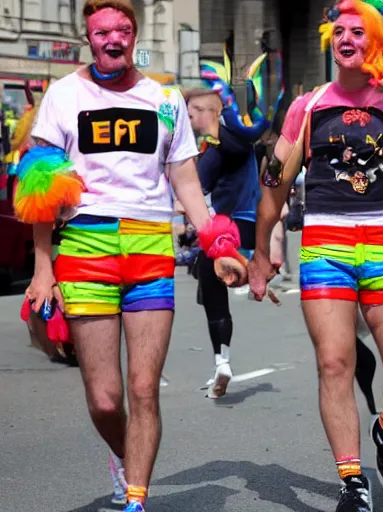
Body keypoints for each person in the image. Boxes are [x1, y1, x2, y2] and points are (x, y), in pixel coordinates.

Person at [15, 1, 245, 510]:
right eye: (102, 32)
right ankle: (125, 456)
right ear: (88, 38)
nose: (113, 40)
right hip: (84, 247)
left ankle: (136, 500)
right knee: (105, 399)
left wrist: (220, 244)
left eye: (122, 29)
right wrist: (42, 266)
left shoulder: (164, 98)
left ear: (133, 33)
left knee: (144, 389)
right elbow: (40, 189)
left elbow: (185, 180)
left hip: (149, 248)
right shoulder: (64, 94)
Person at [247, 1, 383, 510]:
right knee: (334, 362)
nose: (346, 39)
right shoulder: (308, 105)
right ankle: (352, 482)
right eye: (339, 31)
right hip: (324, 246)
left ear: (377, 41)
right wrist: (261, 250)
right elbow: (275, 182)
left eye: (358, 31)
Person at [186, 88, 261, 398]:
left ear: (208, 113)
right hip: (248, 227)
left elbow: (193, 188)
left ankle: (222, 362)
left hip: (228, 231)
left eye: (191, 113)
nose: (188, 120)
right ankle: (221, 362)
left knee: (215, 297)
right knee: (206, 282)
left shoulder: (218, 147)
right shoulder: (240, 143)